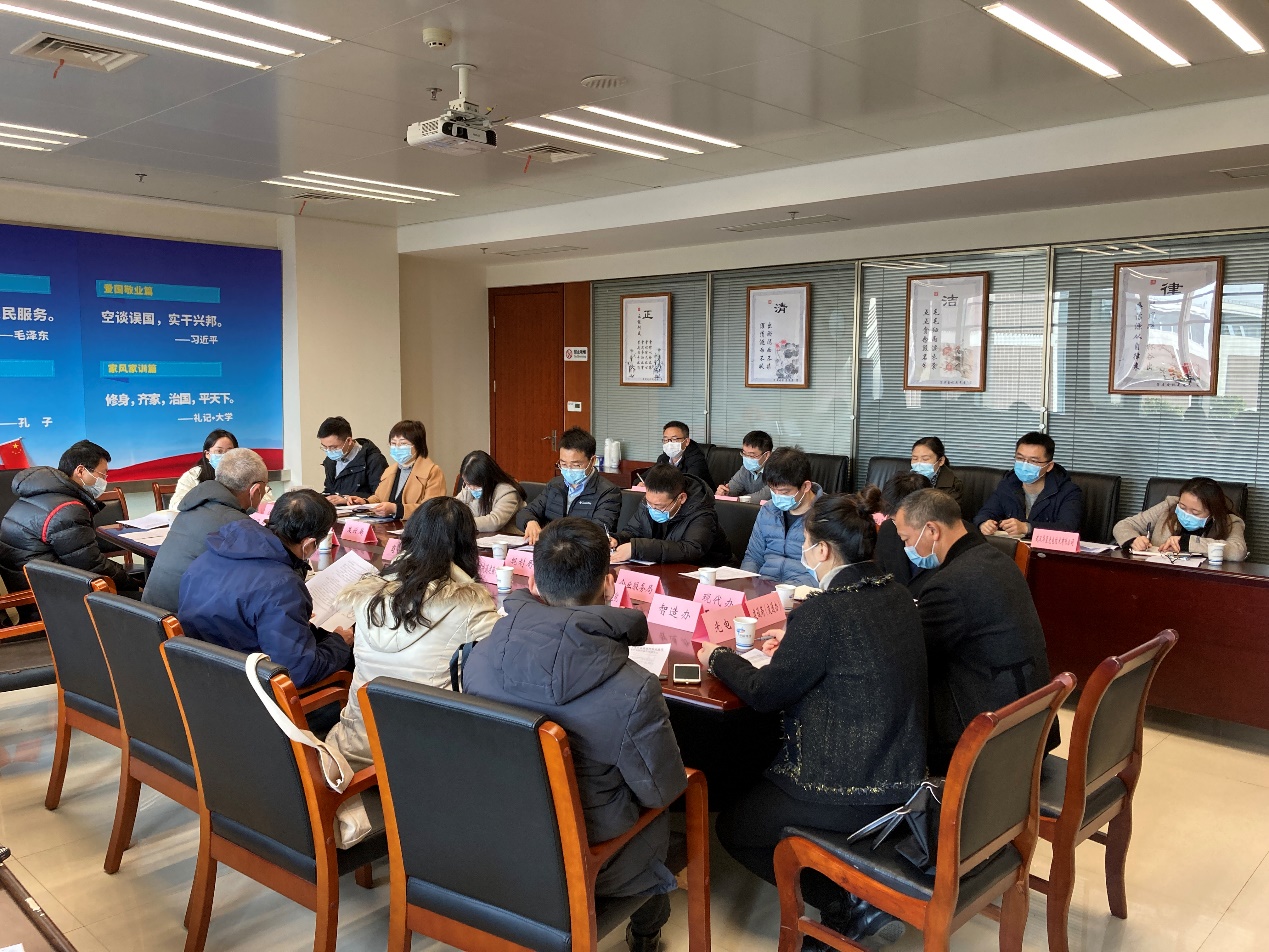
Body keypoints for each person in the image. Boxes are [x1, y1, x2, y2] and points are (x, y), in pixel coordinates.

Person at [698, 494, 927, 948]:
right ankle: (857, 897)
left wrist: (718, 657)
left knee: (733, 828)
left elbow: (765, 693)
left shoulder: (824, 611)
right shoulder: (897, 593)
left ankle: (846, 902)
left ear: (822, 549)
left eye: (806, 542)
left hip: (849, 786)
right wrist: (794, 645)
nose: (804, 550)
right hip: (905, 773)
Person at [464, 518, 687, 952]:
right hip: (593, 861)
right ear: (609, 584)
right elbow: (663, 791)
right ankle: (646, 933)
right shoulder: (633, 688)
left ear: (534, 582)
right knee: (662, 811)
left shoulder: (481, 656)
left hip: (496, 840)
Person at [326, 498, 500, 769]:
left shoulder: (368, 593)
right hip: (424, 758)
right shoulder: (469, 603)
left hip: (355, 746)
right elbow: (500, 657)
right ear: (467, 544)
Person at [895, 489, 1056, 774]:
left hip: (988, 744)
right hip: (1031, 728)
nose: (905, 547)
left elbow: (911, 658)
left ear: (931, 530)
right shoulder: (999, 560)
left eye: (906, 539)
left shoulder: (949, 585)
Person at [177, 489, 352, 689]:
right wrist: (339, 643)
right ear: (309, 543)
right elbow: (298, 672)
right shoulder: (282, 585)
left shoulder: (211, 554)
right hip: (246, 686)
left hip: (199, 674)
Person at [0, 440, 139, 594]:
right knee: (145, 600)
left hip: (34, 588)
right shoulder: (68, 510)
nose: (105, 480)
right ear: (80, 471)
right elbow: (92, 564)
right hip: (53, 598)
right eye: (102, 474)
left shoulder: (37, 496)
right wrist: (134, 585)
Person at [142, 449, 270, 612]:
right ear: (256, 490)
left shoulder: (190, 508)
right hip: (183, 623)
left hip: (150, 615)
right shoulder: (238, 526)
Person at [516, 427, 622, 543]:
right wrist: (530, 522)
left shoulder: (608, 492)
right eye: (563, 464)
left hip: (581, 550)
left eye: (576, 465)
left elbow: (598, 532)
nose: (569, 470)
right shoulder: (555, 485)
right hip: (550, 548)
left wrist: (551, 533)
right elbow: (525, 512)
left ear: (592, 461)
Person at [611, 464, 731, 566]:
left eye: (659, 506)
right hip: (663, 568)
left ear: (681, 498)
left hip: (708, 573)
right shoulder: (649, 503)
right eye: (649, 503)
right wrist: (617, 540)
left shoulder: (702, 513)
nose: (652, 508)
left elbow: (691, 550)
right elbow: (633, 531)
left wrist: (638, 548)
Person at [975, 431, 1083, 538]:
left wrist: (1027, 527)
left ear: (1049, 466)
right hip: (1013, 547)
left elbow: (1068, 528)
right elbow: (985, 513)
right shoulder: (1008, 484)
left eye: (1033, 461)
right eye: (1020, 459)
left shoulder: (1069, 492)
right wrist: (984, 523)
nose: (1025, 465)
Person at [741, 447, 823, 586]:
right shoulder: (767, 510)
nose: (778, 496)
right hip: (764, 586)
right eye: (773, 490)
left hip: (803, 591)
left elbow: (828, 572)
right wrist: (746, 584)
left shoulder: (827, 516)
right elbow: (753, 557)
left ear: (806, 486)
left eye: (784, 492)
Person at [1113, 477, 1248, 561]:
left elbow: (1238, 551)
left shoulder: (1230, 521)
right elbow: (1123, 525)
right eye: (1182, 507)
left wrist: (1186, 542)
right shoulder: (1169, 506)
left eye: (1195, 512)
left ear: (1213, 513)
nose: (1186, 514)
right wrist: (1133, 540)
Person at [168, 428, 274, 510]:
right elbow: (176, 505)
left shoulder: (249, 472)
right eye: (219, 451)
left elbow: (267, 503)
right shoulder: (193, 476)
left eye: (229, 451)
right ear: (207, 454)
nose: (225, 456)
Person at [362, 420, 445, 519]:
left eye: (403, 443)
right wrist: (365, 502)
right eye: (393, 443)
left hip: (415, 526)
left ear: (418, 445)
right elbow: (378, 498)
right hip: (386, 524)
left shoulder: (432, 471)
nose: (397, 448)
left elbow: (432, 509)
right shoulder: (390, 470)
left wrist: (396, 509)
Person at [867, 474, 933, 595]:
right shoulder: (888, 529)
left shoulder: (956, 538)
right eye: (894, 520)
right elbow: (879, 575)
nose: (899, 529)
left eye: (903, 521)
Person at [317, 416, 388, 503]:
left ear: (349, 441)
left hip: (363, 510)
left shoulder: (374, 460)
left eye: (333, 447)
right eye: (325, 447)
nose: (329, 451)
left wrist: (347, 499)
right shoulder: (331, 460)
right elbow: (329, 490)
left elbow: (380, 496)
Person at [455, 450, 526, 534]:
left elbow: (495, 521)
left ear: (487, 479)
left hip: (509, 538)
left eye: (473, 484)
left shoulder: (507, 492)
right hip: (483, 536)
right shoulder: (469, 488)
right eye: (467, 483)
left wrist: (462, 523)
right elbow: (455, 507)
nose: (470, 488)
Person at [717, 429, 773, 502]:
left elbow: (765, 495)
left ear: (766, 455)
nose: (747, 459)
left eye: (751, 455)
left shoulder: (777, 470)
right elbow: (733, 487)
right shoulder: (745, 468)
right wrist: (724, 493)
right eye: (744, 454)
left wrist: (738, 499)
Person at [909, 436, 963, 511]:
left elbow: (949, 513)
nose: (919, 463)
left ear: (941, 461)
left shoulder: (954, 485)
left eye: (925, 459)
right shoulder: (906, 479)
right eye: (915, 458)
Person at [654, 420, 712, 486]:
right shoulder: (662, 459)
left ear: (686, 442)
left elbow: (688, 484)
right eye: (666, 440)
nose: (669, 443)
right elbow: (649, 477)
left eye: (674, 439)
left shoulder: (697, 460)